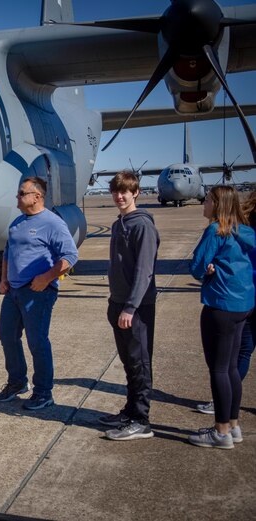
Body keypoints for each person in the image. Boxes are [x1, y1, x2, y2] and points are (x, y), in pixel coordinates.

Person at [0, 177, 78, 410]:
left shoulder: (53, 223)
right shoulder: (17, 223)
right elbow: (7, 253)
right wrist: (3, 279)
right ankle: (17, 383)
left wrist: (46, 278)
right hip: (14, 291)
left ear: (37, 197)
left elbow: (70, 256)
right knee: (7, 336)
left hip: (38, 293)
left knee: (37, 342)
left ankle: (43, 392)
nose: (18, 197)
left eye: (22, 193)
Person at [188, 185, 254, 449]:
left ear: (217, 205)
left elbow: (195, 266)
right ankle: (234, 426)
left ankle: (221, 431)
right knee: (231, 368)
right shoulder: (245, 231)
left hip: (221, 306)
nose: (203, 204)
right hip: (243, 305)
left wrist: (207, 269)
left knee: (218, 369)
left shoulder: (216, 230)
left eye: (207, 200)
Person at [98, 172, 160, 441]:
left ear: (136, 192)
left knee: (139, 363)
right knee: (128, 362)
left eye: (125, 191)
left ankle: (141, 420)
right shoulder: (119, 223)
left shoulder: (142, 225)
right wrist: (116, 303)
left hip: (136, 308)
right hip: (119, 303)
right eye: (115, 191)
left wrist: (131, 307)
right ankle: (130, 410)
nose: (119, 196)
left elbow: (144, 271)